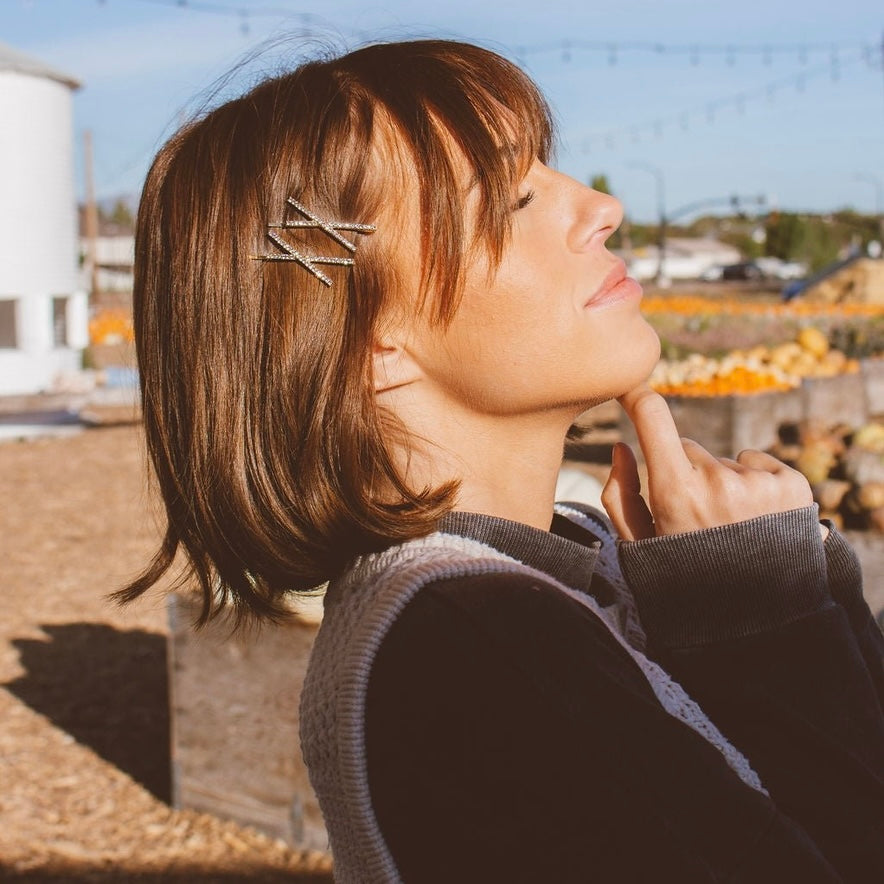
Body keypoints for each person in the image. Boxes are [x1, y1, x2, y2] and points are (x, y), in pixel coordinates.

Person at [119, 39, 884, 882]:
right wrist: (764, 620)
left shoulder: (531, 587)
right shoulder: (478, 651)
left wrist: (806, 591)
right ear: (372, 337)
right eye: (515, 199)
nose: (604, 205)